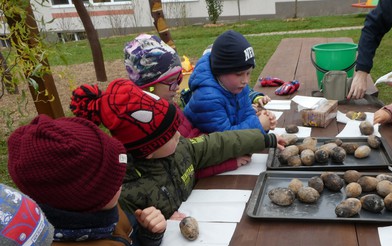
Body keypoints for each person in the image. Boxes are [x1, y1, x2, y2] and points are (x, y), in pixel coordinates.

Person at [7, 115, 177, 246]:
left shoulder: (106, 210)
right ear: (85, 197)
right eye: (114, 182)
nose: (121, 183)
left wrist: (149, 234)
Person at [69, 78, 285, 220]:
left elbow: (218, 143)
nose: (180, 135)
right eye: (171, 135)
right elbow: (128, 233)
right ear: (149, 151)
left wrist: (264, 140)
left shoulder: (180, 149)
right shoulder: (126, 191)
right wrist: (157, 223)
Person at [124, 33, 252, 178]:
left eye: (179, 79)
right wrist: (228, 162)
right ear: (149, 86)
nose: (177, 87)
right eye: (171, 81)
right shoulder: (148, 124)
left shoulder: (170, 107)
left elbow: (194, 138)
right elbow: (182, 163)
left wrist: (226, 152)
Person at [183, 30, 277, 134]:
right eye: (239, 74)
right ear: (220, 70)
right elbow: (226, 139)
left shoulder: (236, 87)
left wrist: (258, 117)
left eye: (248, 73)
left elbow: (246, 113)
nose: (245, 81)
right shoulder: (207, 98)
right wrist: (259, 125)